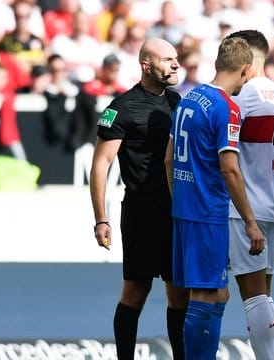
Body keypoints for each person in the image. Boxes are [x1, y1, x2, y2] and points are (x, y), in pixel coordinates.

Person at [164, 37, 265, 359]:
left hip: (185, 206)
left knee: (219, 293)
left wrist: (179, 199)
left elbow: (168, 159)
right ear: (246, 69)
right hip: (208, 211)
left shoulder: (188, 98)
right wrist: (251, 222)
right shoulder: (226, 107)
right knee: (206, 295)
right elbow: (230, 169)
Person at [89, 38, 189, 360]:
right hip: (141, 211)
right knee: (135, 294)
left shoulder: (179, 103)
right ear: (146, 65)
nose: (175, 64)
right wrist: (101, 218)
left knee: (180, 296)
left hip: (176, 212)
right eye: (167, 59)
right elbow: (101, 164)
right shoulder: (121, 107)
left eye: (176, 59)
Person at [225, 29, 274, 359]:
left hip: (247, 209)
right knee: (264, 294)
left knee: (252, 295)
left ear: (246, 60)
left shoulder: (245, 96)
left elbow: (224, 151)